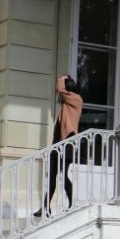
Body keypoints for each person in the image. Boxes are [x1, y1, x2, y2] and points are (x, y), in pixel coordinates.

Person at [33, 75, 83, 218]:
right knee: (52, 175)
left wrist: (62, 78)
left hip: (68, 142)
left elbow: (60, 89)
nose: (59, 88)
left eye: (63, 83)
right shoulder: (67, 104)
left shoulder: (76, 99)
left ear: (69, 86)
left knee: (62, 174)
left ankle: (72, 203)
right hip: (59, 143)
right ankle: (45, 207)